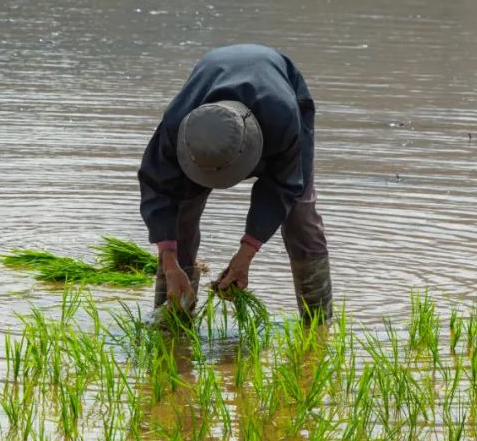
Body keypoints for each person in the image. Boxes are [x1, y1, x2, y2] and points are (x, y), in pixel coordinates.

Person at [137, 44, 333, 322]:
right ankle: (171, 320)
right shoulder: (177, 125)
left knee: (299, 213)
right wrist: (169, 262)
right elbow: (158, 189)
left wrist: (246, 255)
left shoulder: (283, 118)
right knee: (181, 211)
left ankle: (319, 322)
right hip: (207, 103)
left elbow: (282, 187)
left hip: (279, 91)